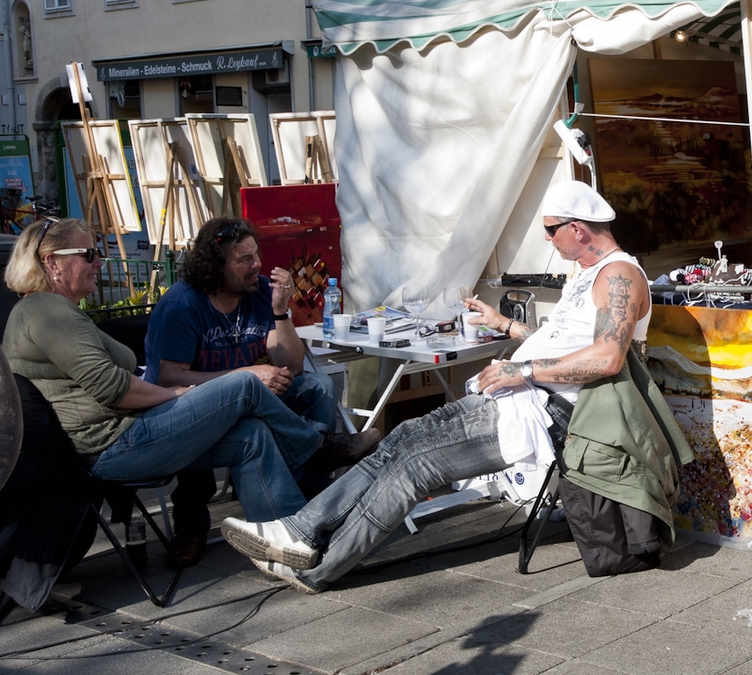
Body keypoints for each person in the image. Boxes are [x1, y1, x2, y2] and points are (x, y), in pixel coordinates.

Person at [220, 181, 684, 592]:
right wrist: (504, 326)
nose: (547, 238)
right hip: (522, 397)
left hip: (545, 411)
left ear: (578, 230)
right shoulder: (588, 274)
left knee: (414, 465)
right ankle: (301, 534)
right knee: (402, 440)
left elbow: (607, 356)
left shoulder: (620, 275)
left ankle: (312, 566)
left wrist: (521, 371)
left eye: (551, 229)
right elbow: (566, 342)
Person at [0, 218, 377, 537]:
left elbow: (292, 366)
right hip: (113, 445)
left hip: (126, 432)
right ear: (52, 263)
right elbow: (114, 388)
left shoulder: (52, 311)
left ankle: (292, 535)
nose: (99, 262)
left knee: (254, 433)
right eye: (89, 254)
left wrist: (281, 314)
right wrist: (180, 393)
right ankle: (317, 447)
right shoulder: (47, 312)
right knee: (244, 384)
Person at [144, 217, 361, 564]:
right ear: (217, 266)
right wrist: (244, 375)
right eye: (244, 259)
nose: (257, 264)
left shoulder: (259, 291)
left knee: (318, 386)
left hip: (250, 394)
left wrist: (280, 310)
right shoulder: (182, 305)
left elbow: (292, 365)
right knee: (247, 419)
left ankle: (311, 505)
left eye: (256, 254)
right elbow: (169, 379)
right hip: (188, 408)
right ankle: (192, 525)